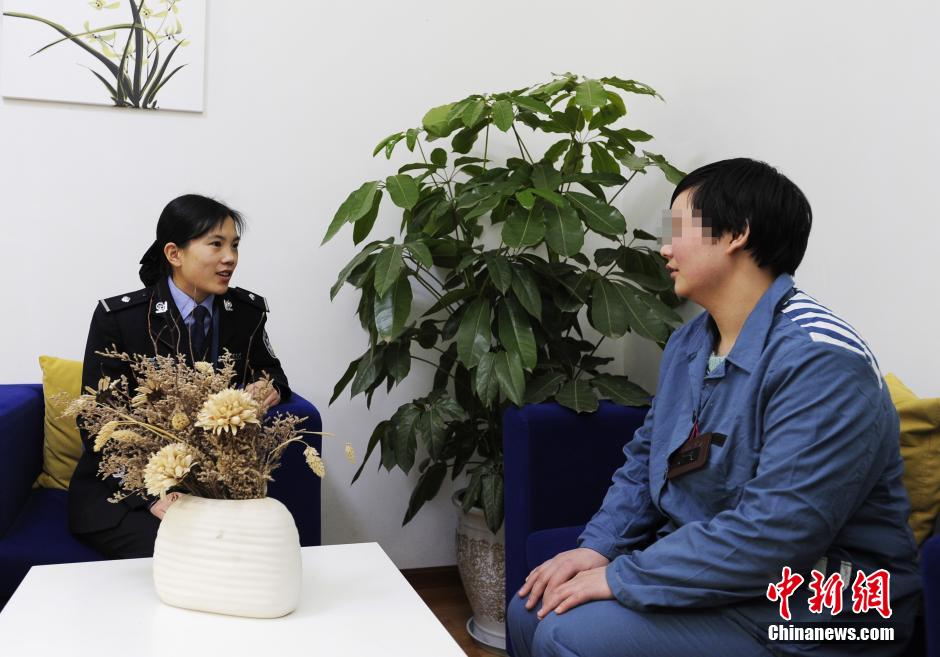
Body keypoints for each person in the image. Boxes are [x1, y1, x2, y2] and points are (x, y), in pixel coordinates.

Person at [507, 159, 921, 657]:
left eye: (678, 229)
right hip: (721, 576)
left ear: (736, 234)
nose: (665, 248)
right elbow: (646, 463)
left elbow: (777, 535)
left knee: (568, 635)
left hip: (818, 607)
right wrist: (598, 548)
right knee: (530, 610)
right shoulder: (690, 343)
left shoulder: (821, 359)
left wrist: (622, 577)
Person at [68, 194, 291, 559]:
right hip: (127, 495)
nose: (230, 258)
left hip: (213, 486)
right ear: (174, 254)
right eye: (215, 245)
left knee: (259, 554)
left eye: (234, 245)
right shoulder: (120, 319)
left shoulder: (244, 312)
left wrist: (270, 387)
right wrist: (150, 495)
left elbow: (271, 369)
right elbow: (97, 419)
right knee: (187, 557)